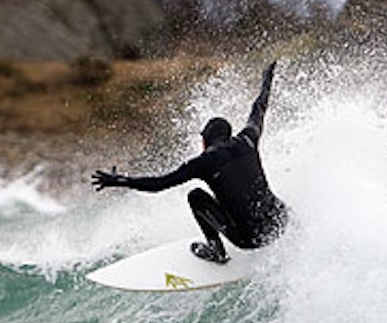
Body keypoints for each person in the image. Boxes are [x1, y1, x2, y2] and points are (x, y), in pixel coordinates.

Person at [92, 61, 288, 264]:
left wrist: (121, 180)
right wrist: (267, 78)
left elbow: (159, 184)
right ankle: (298, 230)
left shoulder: (204, 162)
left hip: (251, 239)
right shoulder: (248, 139)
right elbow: (259, 107)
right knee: (265, 198)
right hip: (279, 225)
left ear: (205, 141)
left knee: (195, 196)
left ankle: (216, 251)